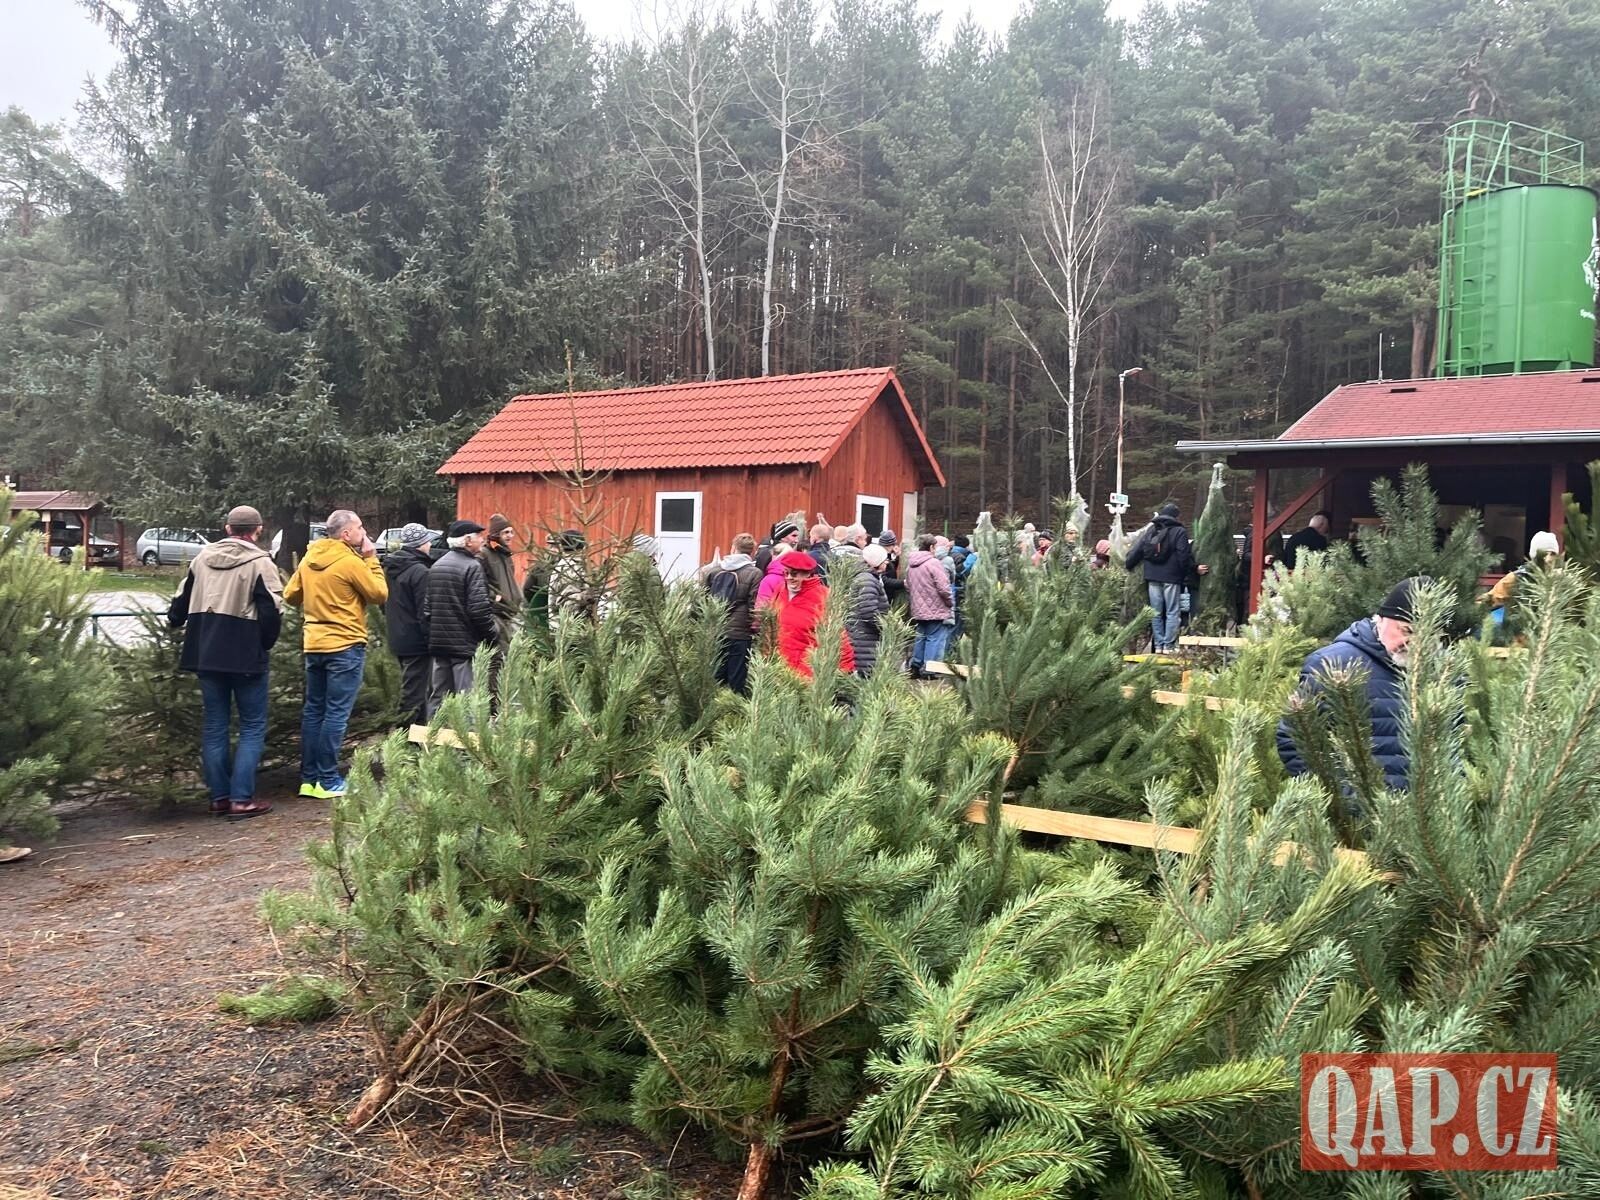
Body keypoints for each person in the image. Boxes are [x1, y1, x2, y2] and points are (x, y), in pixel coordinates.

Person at [168, 504, 284, 819]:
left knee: (215, 725)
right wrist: (264, 645)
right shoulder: (261, 563)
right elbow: (272, 611)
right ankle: (241, 799)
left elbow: (178, 608)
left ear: (227, 528)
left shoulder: (201, 559)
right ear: (258, 530)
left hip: (205, 651)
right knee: (252, 726)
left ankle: (219, 797)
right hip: (245, 653)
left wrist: (181, 623)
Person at [1277, 576, 1428, 793]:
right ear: (1381, 619)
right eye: (1407, 631)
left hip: (1426, 811)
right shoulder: (1332, 665)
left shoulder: (1444, 673)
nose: (1415, 643)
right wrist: (1342, 800)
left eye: (1428, 635)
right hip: (1356, 810)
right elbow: (1295, 739)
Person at [284, 509, 388, 799]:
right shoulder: (350, 561)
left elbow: (290, 595)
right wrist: (371, 558)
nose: (363, 533)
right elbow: (379, 594)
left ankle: (309, 780)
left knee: (314, 711)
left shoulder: (310, 558)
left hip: (314, 644)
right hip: (345, 644)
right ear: (346, 534)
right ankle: (328, 781)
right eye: (360, 527)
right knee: (336, 714)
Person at [426, 519, 498, 715]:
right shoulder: (472, 567)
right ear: (467, 541)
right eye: (479, 537)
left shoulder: (436, 566)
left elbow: (427, 610)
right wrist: (491, 636)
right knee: (467, 697)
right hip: (464, 645)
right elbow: (479, 610)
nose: (482, 540)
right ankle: (468, 734)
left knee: (439, 696)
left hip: (439, 644)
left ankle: (433, 731)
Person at [1123, 502, 1196, 653]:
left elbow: (1138, 549)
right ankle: (1169, 645)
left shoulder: (1152, 529)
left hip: (1152, 576)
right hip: (1172, 577)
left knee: (1155, 612)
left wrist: (1129, 564)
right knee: (1172, 611)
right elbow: (1183, 555)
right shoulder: (1179, 531)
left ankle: (1159, 645)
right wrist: (1185, 574)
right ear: (1176, 516)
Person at [381, 523, 434, 727]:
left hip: (398, 635)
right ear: (421, 544)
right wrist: (431, 639)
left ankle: (417, 734)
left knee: (412, 688)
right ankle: (405, 735)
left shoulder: (391, 568)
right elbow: (425, 611)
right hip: (417, 641)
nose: (430, 544)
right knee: (414, 693)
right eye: (427, 541)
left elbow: (383, 603)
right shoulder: (420, 572)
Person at [772, 551, 854, 677]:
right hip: (779, 668)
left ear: (808, 574)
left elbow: (837, 636)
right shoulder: (780, 590)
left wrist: (845, 670)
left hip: (806, 673)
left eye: (794, 574)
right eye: (786, 573)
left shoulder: (823, 596)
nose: (789, 577)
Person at [704, 532, 764, 693]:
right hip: (740, 633)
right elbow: (754, 605)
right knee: (737, 679)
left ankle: (713, 705)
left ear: (733, 548)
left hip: (716, 630)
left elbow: (704, 600)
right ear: (752, 552)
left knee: (716, 676)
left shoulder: (714, 571)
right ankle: (733, 707)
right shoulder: (755, 573)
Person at [1484, 531, 1561, 626]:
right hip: (1519, 634)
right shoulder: (1517, 578)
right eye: (1543, 553)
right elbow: (1487, 602)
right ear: (1534, 555)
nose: (1548, 559)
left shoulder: (1560, 581)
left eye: (1552, 554)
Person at [906, 533, 955, 675]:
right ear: (932, 547)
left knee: (920, 636)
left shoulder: (911, 564)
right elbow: (944, 588)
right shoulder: (934, 563)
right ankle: (929, 668)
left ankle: (915, 665)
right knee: (934, 638)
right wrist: (949, 602)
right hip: (936, 607)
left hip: (918, 607)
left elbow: (908, 585)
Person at [479, 514, 523, 661]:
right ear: (496, 534)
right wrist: (494, 597)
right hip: (497, 613)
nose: (510, 536)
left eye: (511, 532)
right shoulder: (484, 554)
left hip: (510, 612)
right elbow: (479, 581)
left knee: (511, 654)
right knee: (499, 656)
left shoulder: (505, 554)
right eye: (506, 532)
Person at [846, 544, 891, 676]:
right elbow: (868, 612)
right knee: (866, 673)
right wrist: (886, 626)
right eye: (884, 560)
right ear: (876, 562)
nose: (887, 562)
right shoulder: (867, 580)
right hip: (865, 636)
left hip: (863, 635)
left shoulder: (867, 577)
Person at [879, 529, 906, 602]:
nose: (895, 547)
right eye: (894, 544)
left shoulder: (886, 555)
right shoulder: (880, 557)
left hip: (888, 593)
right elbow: (883, 579)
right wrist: (902, 583)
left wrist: (896, 557)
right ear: (889, 545)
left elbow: (891, 570)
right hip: (884, 595)